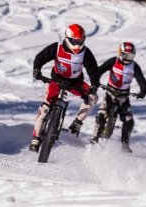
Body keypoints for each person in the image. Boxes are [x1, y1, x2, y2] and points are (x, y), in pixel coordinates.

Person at [29, 24, 100, 152]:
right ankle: (36, 137)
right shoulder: (57, 48)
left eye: (80, 41)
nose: (78, 45)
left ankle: (77, 122)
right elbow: (40, 57)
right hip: (56, 80)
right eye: (75, 41)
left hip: (76, 82)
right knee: (44, 109)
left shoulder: (85, 52)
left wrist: (94, 85)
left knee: (93, 97)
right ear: (67, 38)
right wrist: (36, 70)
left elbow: (93, 69)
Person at [91, 42, 146, 153]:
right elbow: (99, 70)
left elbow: (141, 79)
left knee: (129, 120)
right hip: (110, 93)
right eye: (126, 55)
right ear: (120, 53)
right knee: (101, 115)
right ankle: (94, 138)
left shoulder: (134, 66)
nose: (128, 59)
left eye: (131, 56)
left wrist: (142, 92)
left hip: (124, 97)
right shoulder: (113, 61)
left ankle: (125, 145)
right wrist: (96, 82)